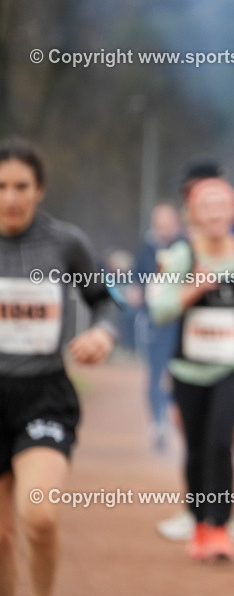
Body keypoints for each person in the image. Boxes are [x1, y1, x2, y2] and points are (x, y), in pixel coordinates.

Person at [0, 139, 119, 596]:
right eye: (2, 186)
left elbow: (105, 301)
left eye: (21, 186)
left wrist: (102, 333)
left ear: (40, 189)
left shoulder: (64, 243)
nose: (11, 197)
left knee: (40, 515)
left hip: (43, 395)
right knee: (1, 537)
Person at [149, 177, 234, 561]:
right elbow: (160, 309)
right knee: (195, 448)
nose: (213, 213)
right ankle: (198, 523)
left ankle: (219, 527)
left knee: (219, 441)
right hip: (188, 370)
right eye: (205, 206)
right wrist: (192, 289)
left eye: (220, 205)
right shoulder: (181, 254)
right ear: (192, 213)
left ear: (233, 211)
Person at [132, 203, 183, 451]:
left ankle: (177, 419)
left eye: (167, 222)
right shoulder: (146, 250)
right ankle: (158, 423)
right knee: (154, 374)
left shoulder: (185, 248)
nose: (163, 228)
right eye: (159, 223)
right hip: (154, 322)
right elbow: (136, 282)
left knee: (180, 374)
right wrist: (137, 293)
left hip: (180, 323)